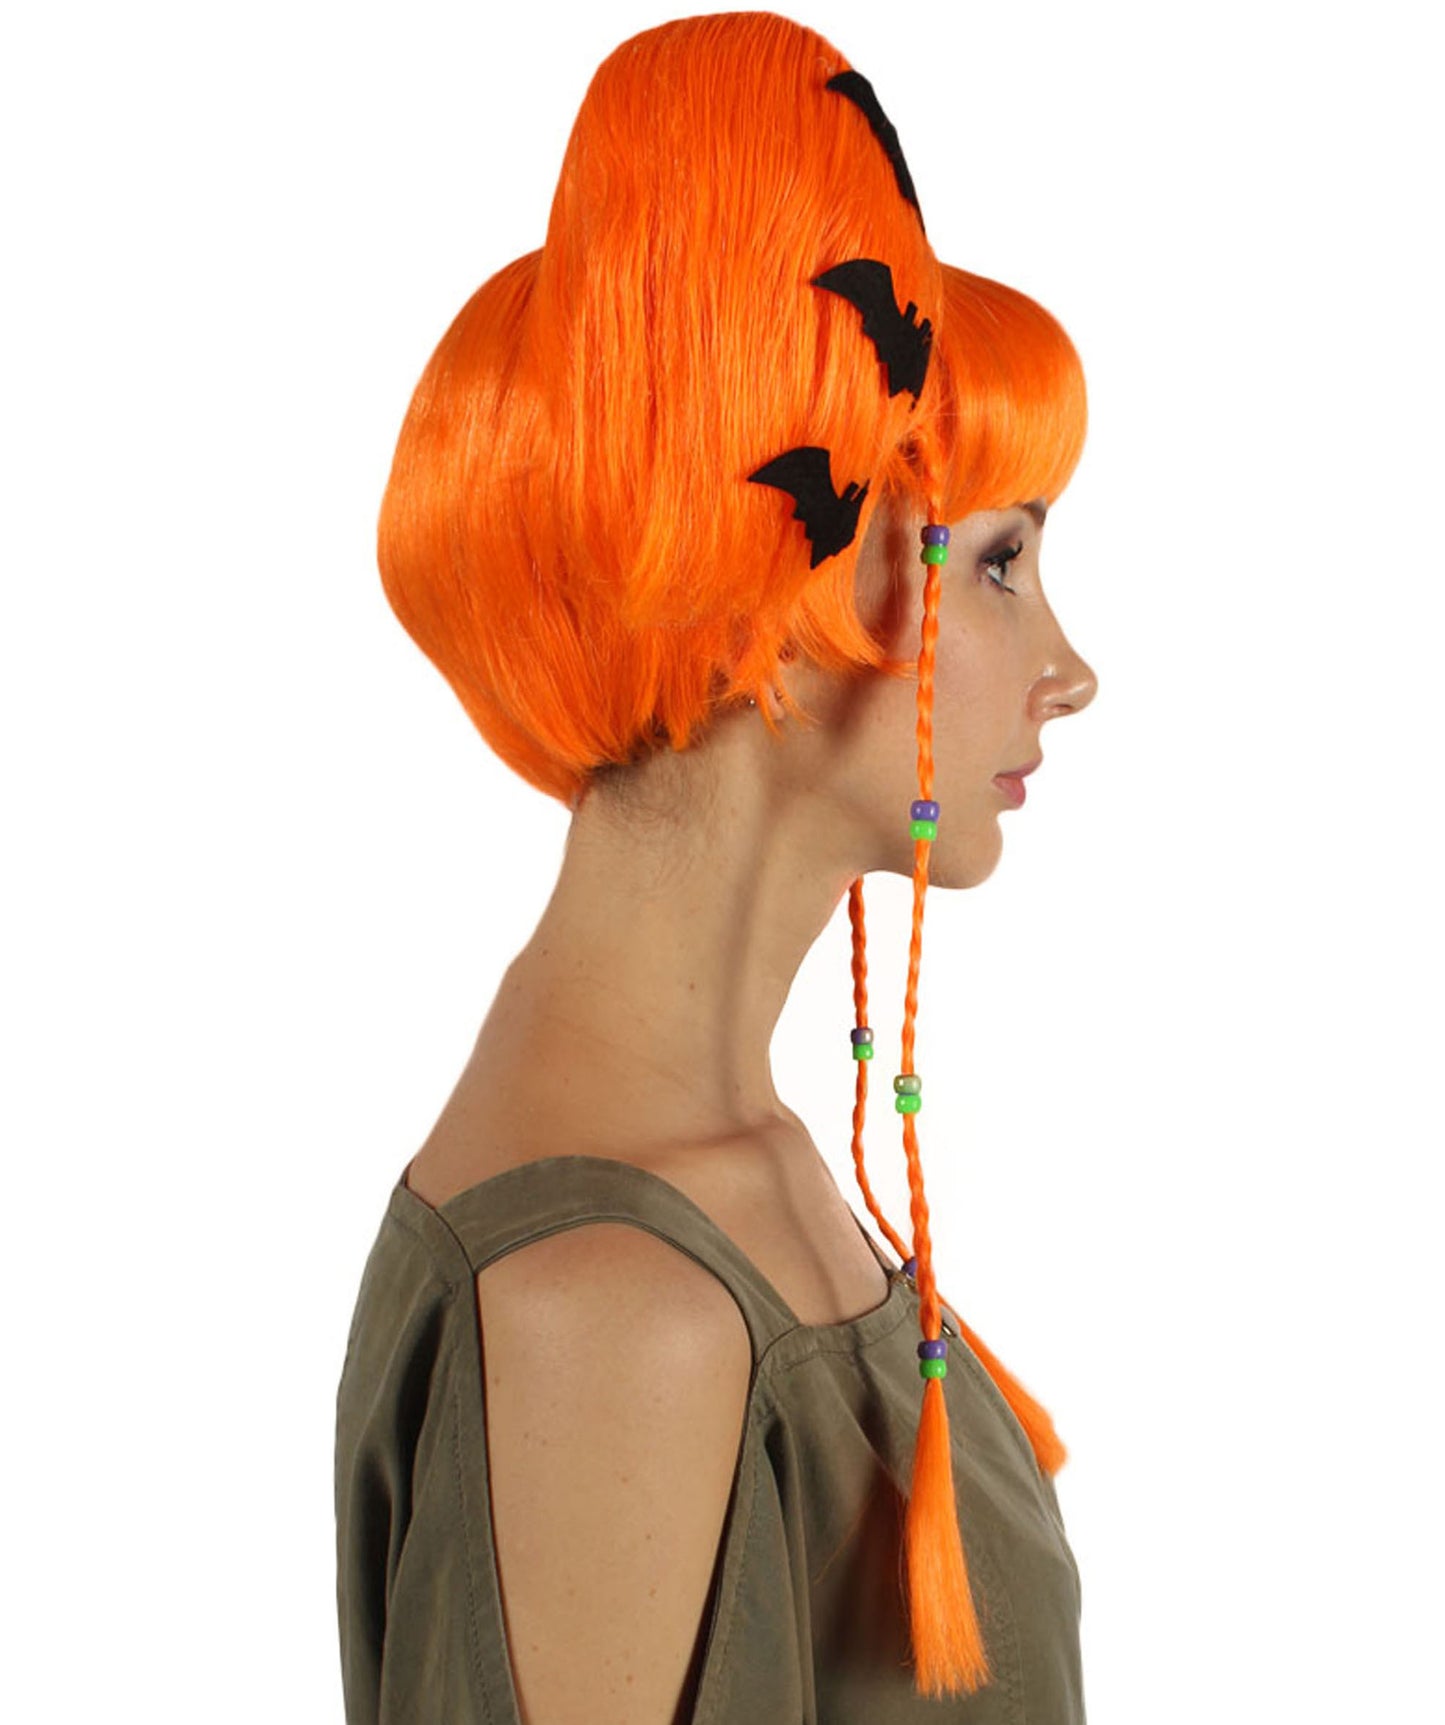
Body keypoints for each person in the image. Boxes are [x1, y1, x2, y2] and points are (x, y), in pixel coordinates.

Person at [335, 12, 1098, 1722]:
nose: (1068, 666)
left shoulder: (738, 1170)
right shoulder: (617, 1314)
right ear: (795, 579)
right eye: (997, 562)